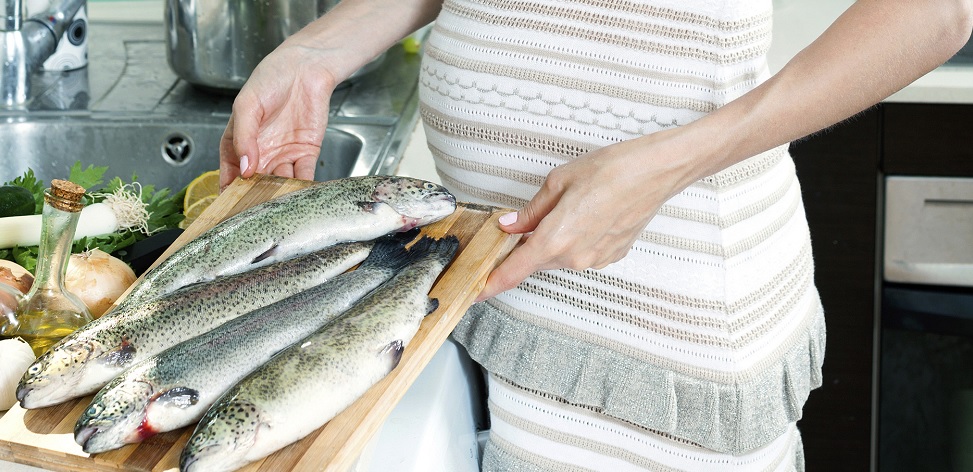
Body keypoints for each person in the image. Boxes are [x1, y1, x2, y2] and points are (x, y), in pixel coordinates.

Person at [219, 0, 973, 470]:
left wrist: (668, 165)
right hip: (497, 285)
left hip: (659, 325)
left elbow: (934, 12)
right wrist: (315, 53)